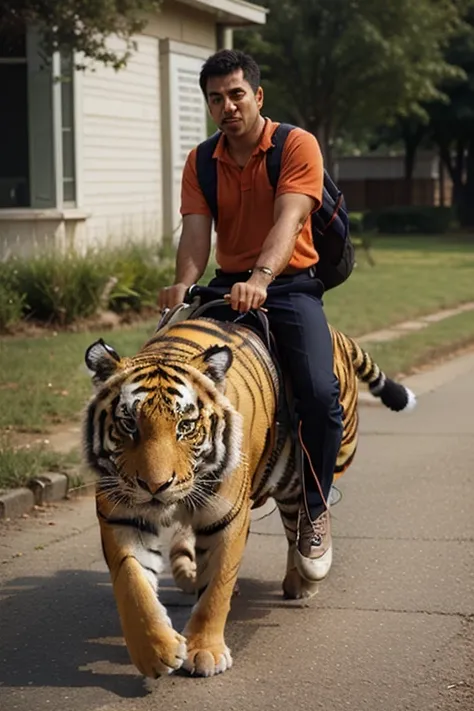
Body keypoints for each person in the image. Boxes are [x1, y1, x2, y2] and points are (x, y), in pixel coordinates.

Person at [158, 49, 343, 582]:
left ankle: (313, 505)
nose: (227, 106)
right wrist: (184, 286)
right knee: (187, 381)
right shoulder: (200, 161)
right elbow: (196, 235)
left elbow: (290, 218)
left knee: (318, 390)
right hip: (227, 288)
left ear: (257, 96)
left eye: (236, 94)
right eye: (216, 98)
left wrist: (261, 279)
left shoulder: (296, 145)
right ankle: (196, 503)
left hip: (288, 286)